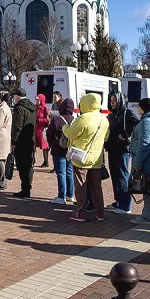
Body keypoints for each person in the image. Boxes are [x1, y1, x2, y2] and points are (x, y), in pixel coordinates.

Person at [63, 93, 110, 222]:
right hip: (96, 158)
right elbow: (105, 137)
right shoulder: (104, 119)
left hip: (81, 157)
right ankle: (100, 213)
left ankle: (80, 213)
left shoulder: (83, 118)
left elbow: (71, 134)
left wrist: (65, 127)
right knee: (96, 187)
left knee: (80, 186)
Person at [130, 98, 150, 225]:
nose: (138, 109)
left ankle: (147, 216)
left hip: (146, 159)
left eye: (139, 107)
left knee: (148, 188)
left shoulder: (146, 122)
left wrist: (137, 163)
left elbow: (144, 143)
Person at [105, 90, 139, 215]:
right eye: (111, 101)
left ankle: (125, 205)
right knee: (115, 176)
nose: (112, 103)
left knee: (122, 176)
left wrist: (125, 136)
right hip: (112, 149)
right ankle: (118, 200)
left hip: (122, 150)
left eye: (115, 101)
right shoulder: (112, 115)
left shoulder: (126, 113)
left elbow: (136, 124)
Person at [46, 97, 75, 204]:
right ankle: (70, 195)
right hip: (71, 150)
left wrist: (50, 144)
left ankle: (61, 196)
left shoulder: (57, 119)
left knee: (61, 173)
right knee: (69, 172)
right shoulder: (74, 119)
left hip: (58, 149)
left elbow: (49, 134)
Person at [10, 88, 36, 198]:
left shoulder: (19, 108)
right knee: (29, 165)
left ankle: (25, 189)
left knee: (22, 166)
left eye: (14, 96)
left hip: (21, 141)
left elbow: (17, 126)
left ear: (17, 97)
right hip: (30, 140)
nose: (13, 99)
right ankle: (27, 188)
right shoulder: (32, 107)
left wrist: (13, 141)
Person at [35, 94, 51, 168]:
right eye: (36, 99)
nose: (37, 101)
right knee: (33, 145)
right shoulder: (35, 108)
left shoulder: (45, 108)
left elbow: (48, 119)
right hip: (35, 130)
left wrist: (39, 120)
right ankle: (32, 160)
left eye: (38, 99)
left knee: (44, 146)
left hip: (42, 130)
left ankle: (46, 161)